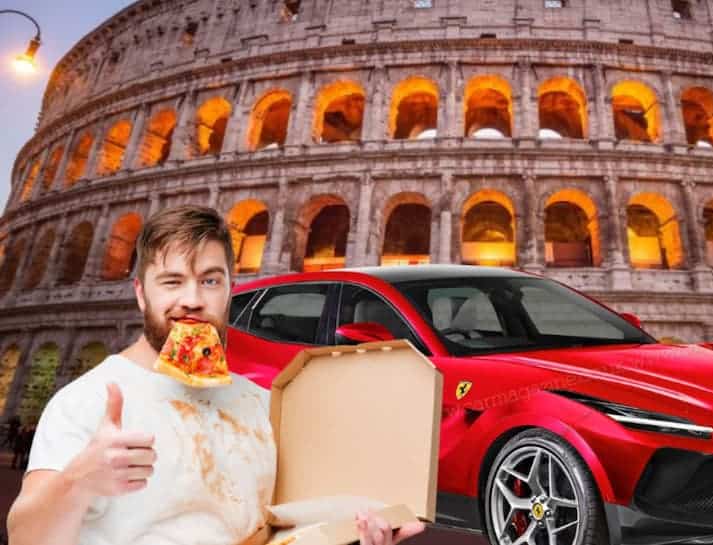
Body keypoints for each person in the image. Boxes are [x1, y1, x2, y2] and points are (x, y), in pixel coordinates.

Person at [6, 205, 425, 545]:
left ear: (229, 288)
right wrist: (79, 481)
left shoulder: (262, 403)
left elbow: (281, 528)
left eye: (209, 280)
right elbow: (25, 538)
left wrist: (358, 536)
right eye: (172, 281)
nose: (192, 300)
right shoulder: (88, 401)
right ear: (140, 293)